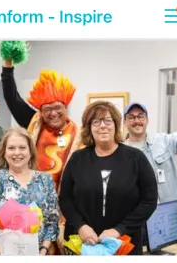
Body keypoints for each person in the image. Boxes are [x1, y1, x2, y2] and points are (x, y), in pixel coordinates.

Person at [59, 101, 159, 252]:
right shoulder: (77, 159)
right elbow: (65, 199)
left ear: (116, 124)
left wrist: (119, 229)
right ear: (89, 127)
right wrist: (80, 226)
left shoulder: (136, 158)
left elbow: (149, 200)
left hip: (124, 244)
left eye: (108, 120)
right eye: (96, 121)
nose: (102, 126)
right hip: (84, 244)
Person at [122, 87, 177, 233]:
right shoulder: (120, 153)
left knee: (170, 254)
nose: (137, 121)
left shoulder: (163, 142)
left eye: (140, 116)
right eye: (131, 117)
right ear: (125, 122)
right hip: (137, 222)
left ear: (147, 120)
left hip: (167, 218)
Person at [1, 60, 79, 190]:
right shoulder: (35, 123)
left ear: (65, 107)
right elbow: (12, 98)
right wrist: (7, 66)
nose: (53, 113)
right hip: (31, 197)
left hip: (65, 200)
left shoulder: (80, 134)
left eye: (57, 107)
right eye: (47, 109)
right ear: (41, 112)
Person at [0, 128, 59, 255]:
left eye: (22, 148)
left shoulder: (45, 180)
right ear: (4, 152)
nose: (17, 153)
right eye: (11, 148)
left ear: (31, 151)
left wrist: (42, 252)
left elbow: (52, 220)